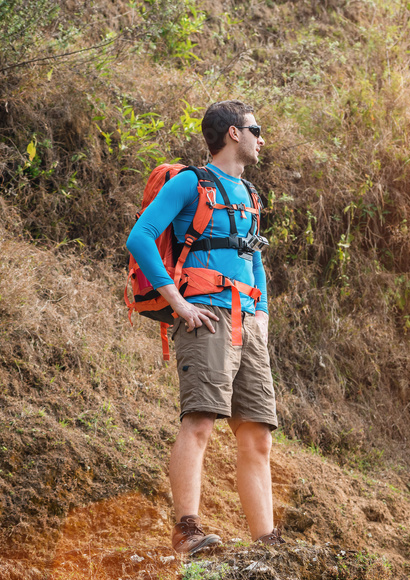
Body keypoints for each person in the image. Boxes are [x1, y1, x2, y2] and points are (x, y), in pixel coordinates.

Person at [126, 100, 284, 554]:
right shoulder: (191, 184)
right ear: (234, 133)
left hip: (248, 322)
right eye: (257, 128)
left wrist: (264, 319)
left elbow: (254, 258)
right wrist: (177, 301)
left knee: (257, 435)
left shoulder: (251, 195)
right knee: (198, 421)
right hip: (207, 314)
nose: (261, 137)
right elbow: (141, 235)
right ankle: (187, 530)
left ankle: (266, 541)